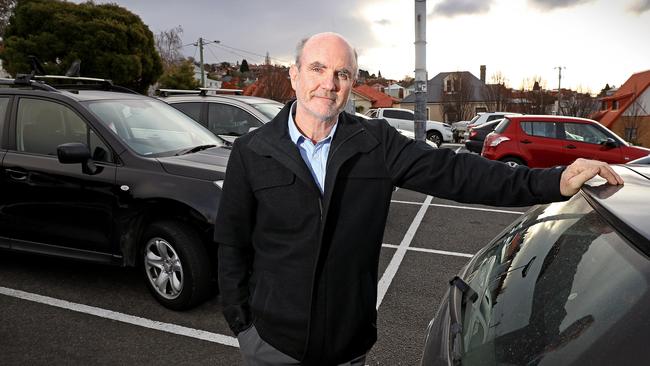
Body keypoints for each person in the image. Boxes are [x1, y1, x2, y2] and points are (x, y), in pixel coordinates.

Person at [214, 32, 623, 366]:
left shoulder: (375, 143)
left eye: (342, 73)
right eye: (317, 68)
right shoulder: (253, 151)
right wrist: (243, 325)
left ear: (352, 83)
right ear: (295, 75)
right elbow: (231, 242)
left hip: (346, 347)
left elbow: (457, 172)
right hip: (272, 344)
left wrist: (552, 182)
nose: (329, 83)